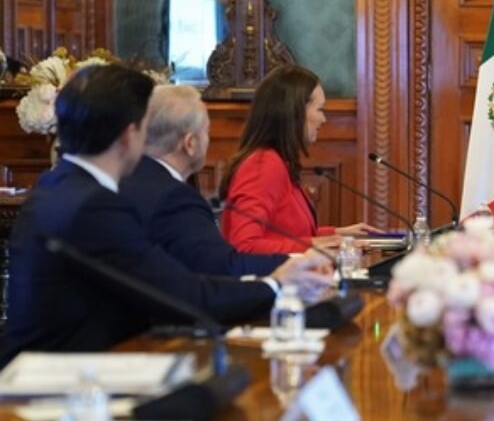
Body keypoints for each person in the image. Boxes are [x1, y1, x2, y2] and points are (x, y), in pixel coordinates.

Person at [1, 65, 332, 367]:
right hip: (56, 384)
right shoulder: (95, 206)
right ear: (129, 136)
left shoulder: (55, 185)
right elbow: (184, 295)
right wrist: (277, 285)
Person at [120, 85, 290, 276]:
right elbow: (223, 267)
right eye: (206, 131)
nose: (208, 140)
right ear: (190, 143)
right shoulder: (174, 199)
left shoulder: (124, 178)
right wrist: (294, 263)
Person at [219, 65, 375, 253]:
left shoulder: (277, 161)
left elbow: (285, 234)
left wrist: (336, 234)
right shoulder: (262, 165)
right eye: (320, 109)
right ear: (295, 112)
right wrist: (316, 244)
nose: (323, 119)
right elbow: (244, 245)